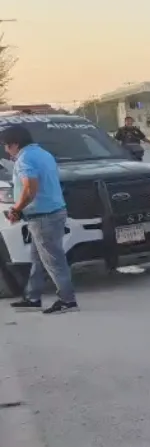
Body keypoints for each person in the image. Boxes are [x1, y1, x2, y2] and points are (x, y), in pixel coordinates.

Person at [0, 125, 78, 314]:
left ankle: (67, 301)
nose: (4, 149)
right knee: (38, 258)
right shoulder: (43, 153)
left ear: (15, 144)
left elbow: (29, 189)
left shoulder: (25, 159)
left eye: (5, 145)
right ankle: (33, 297)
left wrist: (16, 209)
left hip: (44, 217)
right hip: (52, 212)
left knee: (54, 260)